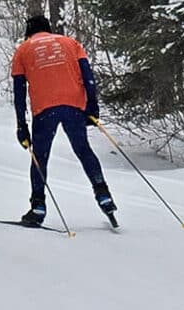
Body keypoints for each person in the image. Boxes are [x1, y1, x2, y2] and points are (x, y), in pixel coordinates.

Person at [10, 14, 118, 228]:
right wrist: (92, 107)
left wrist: (21, 126)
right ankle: (104, 195)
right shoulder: (70, 43)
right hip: (73, 105)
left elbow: (19, 92)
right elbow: (88, 76)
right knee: (83, 150)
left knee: (40, 156)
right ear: (49, 29)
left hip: (44, 108)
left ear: (29, 32)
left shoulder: (23, 50)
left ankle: (38, 207)